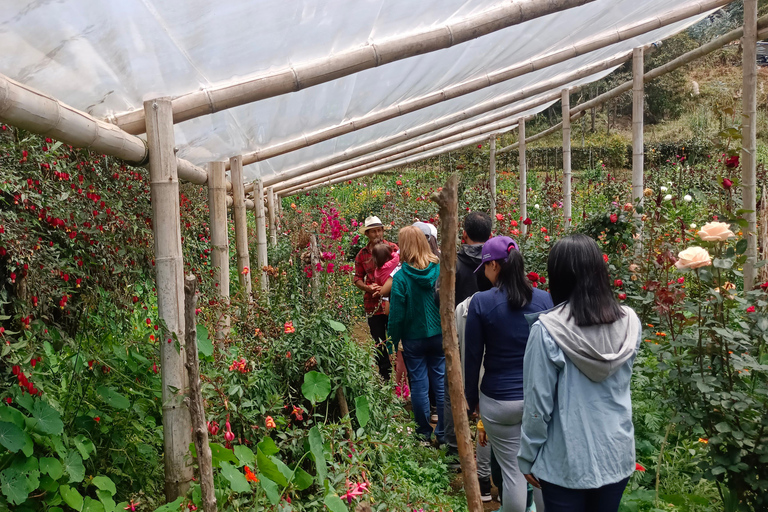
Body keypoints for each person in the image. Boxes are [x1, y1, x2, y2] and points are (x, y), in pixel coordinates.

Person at [518, 234, 642, 512]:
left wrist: (527, 456)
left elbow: (538, 405)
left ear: (558, 276)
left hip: (565, 461)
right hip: (616, 453)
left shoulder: (547, 330)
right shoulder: (630, 322)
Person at [464, 236, 553, 512]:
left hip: (499, 402)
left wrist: (470, 399)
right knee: (539, 470)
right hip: (539, 400)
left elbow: (472, 357)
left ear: (494, 267)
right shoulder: (544, 299)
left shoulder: (481, 303)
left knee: (514, 472)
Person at [444, 211, 494, 497]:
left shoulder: (455, 263)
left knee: (455, 389)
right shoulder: (498, 262)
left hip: (458, 336)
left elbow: (442, 295)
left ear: (463, 234)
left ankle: (453, 450)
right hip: (492, 341)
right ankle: (487, 464)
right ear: (490, 234)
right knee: (485, 400)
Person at [388, 226, 444, 444]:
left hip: (413, 338)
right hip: (439, 334)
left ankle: (423, 434)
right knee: (440, 382)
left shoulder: (401, 278)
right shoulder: (439, 269)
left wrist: (391, 343)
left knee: (419, 384)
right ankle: (443, 433)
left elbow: (396, 316)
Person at [354, 216, 398, 380]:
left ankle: (400, 372)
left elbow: (401, 271)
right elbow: (357, 278)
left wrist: (388, 286)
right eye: (373, 231)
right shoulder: (362, 255)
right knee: (379, 340)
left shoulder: (393, 249)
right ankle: (385, 375)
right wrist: (367, 287)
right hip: (373, 303)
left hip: (393, 302)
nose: (377, 233)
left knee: (396, 337)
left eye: (379, 230)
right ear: (367, 234)